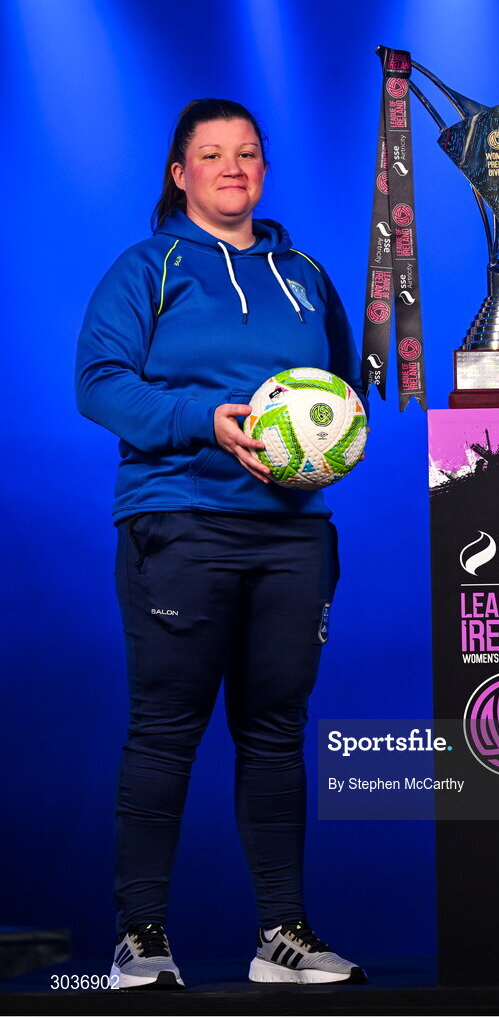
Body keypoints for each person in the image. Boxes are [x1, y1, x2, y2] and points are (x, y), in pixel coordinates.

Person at [75, 98, 368, 990]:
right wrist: (202, 420)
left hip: (292, 536)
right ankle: (141, 939)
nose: (233, 168)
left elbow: (343, 392)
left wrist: (324, 450)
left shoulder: (305, 272)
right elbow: (98, 384)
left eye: (248, 154)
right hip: (179, 522)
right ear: (180, 173)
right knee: (166, 734)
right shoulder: (148, 267)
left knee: (277, 735)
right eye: (212, 155)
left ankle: (282, 934)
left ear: (263, 171)